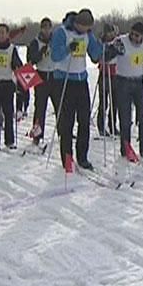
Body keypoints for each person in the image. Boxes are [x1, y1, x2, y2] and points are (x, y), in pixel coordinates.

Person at [51, 9, 103, 170]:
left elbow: (95, 55)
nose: (85, 31)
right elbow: (55, 56)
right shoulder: (62, 32)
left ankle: (82, 157)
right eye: (84, 27)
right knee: (67, 122)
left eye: (88, 28)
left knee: (84, 120)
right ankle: (67, 157)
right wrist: (68, 48)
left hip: (81, 80)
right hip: (64, 80)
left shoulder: (88, 34)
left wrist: (104, 45)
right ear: (77, 23)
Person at [113, 20, 143, 159]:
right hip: (123, 81)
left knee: (142, 117)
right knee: (125, 118)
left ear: (142, 36)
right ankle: (126, 148)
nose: (134, 37)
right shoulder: (121, 42)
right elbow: (110, 52)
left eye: (137, 35)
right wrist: (108, 51)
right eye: (132, 34)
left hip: (138, 82)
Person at [27, 17, 57, 145]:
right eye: (44, 27)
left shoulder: (55, 41)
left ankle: (63, 131)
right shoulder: (35, 42)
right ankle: (37, 134)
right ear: (41, 29)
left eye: (48, 27)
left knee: (60, 105)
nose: (46, 30)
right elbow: (30, 61)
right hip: (41, 75)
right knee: (40, 107)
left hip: (55, 75)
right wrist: (40, 53)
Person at [96, 23, 119, 136]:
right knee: (103, 103)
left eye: (112, 32)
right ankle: (101, 126)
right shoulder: (101, 42)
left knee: (114, 103)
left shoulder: (117, 42)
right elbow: (99, 57)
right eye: (108, 32)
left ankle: (112, 125)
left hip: (115, 74)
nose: (110, 34)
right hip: (104, 74)